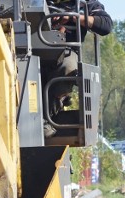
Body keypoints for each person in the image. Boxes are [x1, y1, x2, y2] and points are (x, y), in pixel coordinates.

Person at [45, 0, 113, 136]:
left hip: (66, 51)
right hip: (32, 50)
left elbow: (106, 25)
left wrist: (72, 17)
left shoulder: (84, 4)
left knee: (68, 67)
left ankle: (48, 118)